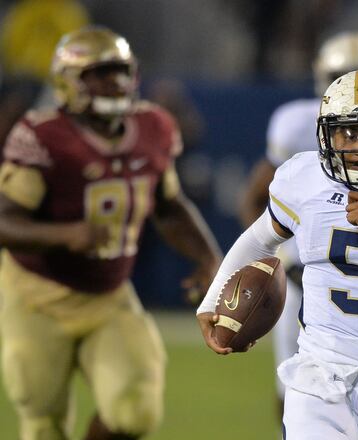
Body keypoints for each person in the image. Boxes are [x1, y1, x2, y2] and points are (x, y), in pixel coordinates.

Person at [199, 69, 358, 439]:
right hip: (320, 375)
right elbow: (259, 240)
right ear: (327, 135)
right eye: (348, 133)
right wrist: (211, 302)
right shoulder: (303, 178)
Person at [0, 26, 222, 440]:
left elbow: (170, 206)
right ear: (69, 80)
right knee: (43, 421)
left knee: (135, 413)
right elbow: (4, 220)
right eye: (100, 73)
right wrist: (64, 234)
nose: (115, 83)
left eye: (121, 72)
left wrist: (209, 258)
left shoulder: (154, 127)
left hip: (108, 297)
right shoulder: (42, 135)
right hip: (36, 296)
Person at [238, 31, 358, 414]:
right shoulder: (294, 124)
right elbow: (256, 199)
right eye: (342, 74)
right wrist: (273, 260)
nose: (355, 87)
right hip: (302, 273)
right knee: (294, 386)